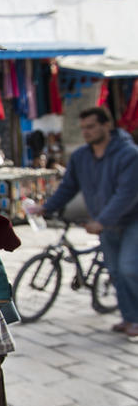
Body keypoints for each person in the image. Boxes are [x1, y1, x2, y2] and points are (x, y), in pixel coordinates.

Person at [36, 106, 138, 338]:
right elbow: (68, 187)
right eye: (83, 128)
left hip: (132, 220)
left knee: (130, 268)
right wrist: (46, 207)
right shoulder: (82, 156)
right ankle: (130, 318)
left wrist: (101, 221)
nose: (87, 132)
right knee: (115, 272)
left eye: (91, 127)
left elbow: (127, 194)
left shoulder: (129, 154)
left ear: (106, 125)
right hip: (106, 224)